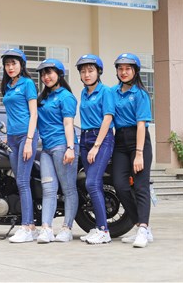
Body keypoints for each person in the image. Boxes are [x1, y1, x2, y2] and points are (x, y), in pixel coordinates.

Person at [111, 53, 154, 248]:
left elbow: (141, 125)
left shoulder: (140, 94)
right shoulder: (113, 92)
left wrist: (138, 153)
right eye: (120, 69)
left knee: (140, 186)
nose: (124, 72)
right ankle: (140, 225)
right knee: (119, 185)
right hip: (120, 141)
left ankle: (143, 229)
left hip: (139, 140)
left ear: (135, 71)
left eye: (128, 68)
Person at [35, 58, 78, 244]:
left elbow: (68, 124)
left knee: (68, 189)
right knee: (48, 189)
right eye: (43, 74)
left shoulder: (66, 97)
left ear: (59, 75)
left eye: (50, 73)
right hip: (46, 149)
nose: (46, 77)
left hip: (62, 146)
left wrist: (70, 148)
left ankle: (67, 228)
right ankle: (46, 228)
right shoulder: (42, 98)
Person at [0, 49, 39, 243]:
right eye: (7, 64)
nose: (10, 67)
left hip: (26, 136)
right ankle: (31, 227)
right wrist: (8, 135)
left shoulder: (27, 84)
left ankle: (26, 226)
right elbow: (12, 113)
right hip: (13, 138)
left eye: (13, 63)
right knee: (20, 181)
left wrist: (29, 140)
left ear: (21, 65)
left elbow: (34, 114)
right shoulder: (8, 86)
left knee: (23, 182)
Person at [75, 54, 115, 245]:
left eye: (90, 70)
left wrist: (96, 146)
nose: (87, 74)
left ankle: (104, 231)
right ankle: (99, 226)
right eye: (83, 71)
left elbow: (108, 118)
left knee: (92, 182)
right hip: (85, 137)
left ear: (98, 72)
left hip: (102, 138)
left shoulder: (106, 91)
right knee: (92, 184)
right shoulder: (84, 93)